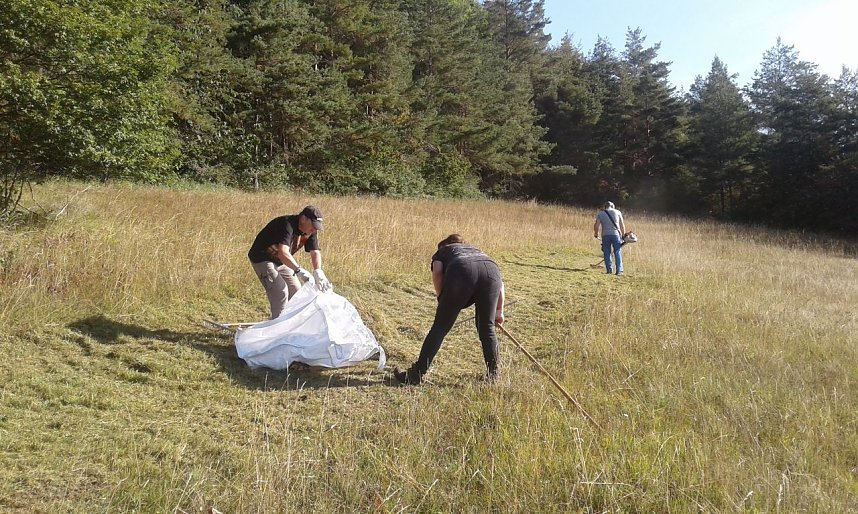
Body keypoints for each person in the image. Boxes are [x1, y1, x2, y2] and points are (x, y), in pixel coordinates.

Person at [394, 234, 505, 385]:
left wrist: (441, 296)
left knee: (440, 327)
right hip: (492, 271)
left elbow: (437, 271)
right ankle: (493, 376)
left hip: (463, 271)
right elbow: (500, 285)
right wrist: (499, 311)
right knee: (487, 328)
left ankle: (416, 375)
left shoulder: (443, 250)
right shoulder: (475, 250)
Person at [247, 205, 333, 319]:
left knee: (296, 292)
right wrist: (298, 270)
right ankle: (278, 328)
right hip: (262, 258)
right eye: (313, 225)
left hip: (281, 261)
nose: (314, 229)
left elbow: (315, 252)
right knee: (280, 291)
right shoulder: (286, 224)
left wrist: (318, 271)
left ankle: (291, 324)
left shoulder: (311, 231)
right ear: (303, 219)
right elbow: (283, 252)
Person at [593, 201, 627, 275]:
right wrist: (623, 235)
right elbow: (622, 225)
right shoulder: (618, 212)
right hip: (616, 235)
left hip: (605, 235)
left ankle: (609, 270)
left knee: (607, 252)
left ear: (605, 206)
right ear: (613, 206)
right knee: (617, 252)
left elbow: (596, 225)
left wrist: (596, 234)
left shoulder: (601, 213)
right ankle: (619, 270)